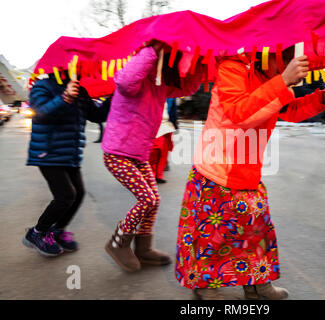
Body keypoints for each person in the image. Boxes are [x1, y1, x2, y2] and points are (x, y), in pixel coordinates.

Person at [175, 48, 325, 300]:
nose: (295, 64)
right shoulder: (233, 67)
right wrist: (283, 80)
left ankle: (257, 284)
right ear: (272, 53)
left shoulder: (272, 80)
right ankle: (205, 285)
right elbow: (237, 112)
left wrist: (324, 96)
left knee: (256, 233)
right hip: (215, 171)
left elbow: (290, 110)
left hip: (247, 173)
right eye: (289, 57)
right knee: (212, 237)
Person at [102, 41, 203, 272]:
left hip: (139, 153)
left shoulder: (160, 83)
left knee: (154, 200)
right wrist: (152, 50)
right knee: (147, 199)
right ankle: (118, 243)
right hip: (118, 152)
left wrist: (198, 68)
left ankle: (143, 248)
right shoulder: (133, 77)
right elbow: (125, 82)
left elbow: (184, 88)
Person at [23, 70, 110, 257]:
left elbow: (97, 115)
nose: (79, 70)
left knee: (78, 194)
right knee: (65, 195)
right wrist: (65, 97)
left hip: (70, 153)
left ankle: (57, 231)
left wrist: (113, 96)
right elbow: (40, 113)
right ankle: (37, 233)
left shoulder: (81, 90)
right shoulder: (42, 86)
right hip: (48, 152)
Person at [149, 100, 176, 184]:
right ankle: (152, 175)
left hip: (164, 126)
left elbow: (172, 111)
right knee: (155, 152)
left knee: (162, 152)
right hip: (153, 126)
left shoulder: (169, 96)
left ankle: (157, 175)